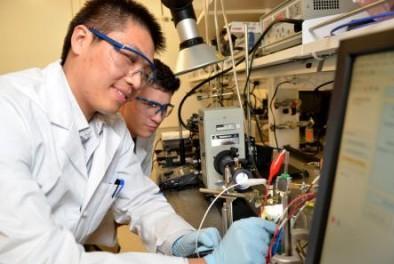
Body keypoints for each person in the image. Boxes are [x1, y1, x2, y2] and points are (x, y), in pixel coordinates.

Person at [0, 0, 275, 263]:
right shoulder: (10, 108)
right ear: (81, 40)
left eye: (143, 72)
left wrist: (178, 237)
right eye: (127, 58)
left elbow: (140, 199)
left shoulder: (111, 127)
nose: (135, 80)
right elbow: (35, 256)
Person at [119, 58, 179, 177]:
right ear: (129, 95)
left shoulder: (146, 131)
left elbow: (142, 183)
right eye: (151, 105)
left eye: (164, 108)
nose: (158, 119)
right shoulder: (102, 135)